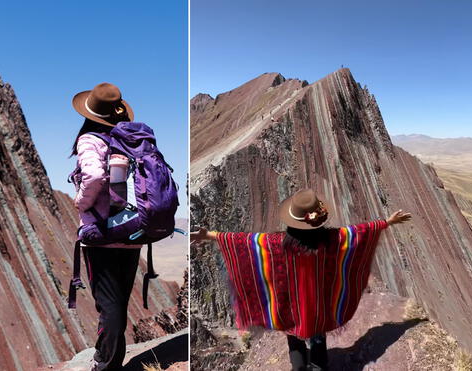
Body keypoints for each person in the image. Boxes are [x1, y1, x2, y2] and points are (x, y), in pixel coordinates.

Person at [191, 188, 411, 370]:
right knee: (317, 339)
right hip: (318, 307)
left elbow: (244, 242)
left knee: (294, 340)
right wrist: (387, 222)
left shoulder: (275, 243)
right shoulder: (334, 239)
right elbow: (360, 232)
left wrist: (209, 235)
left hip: (289, 306)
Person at [70, 82, 141, 371]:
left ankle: (106, 365)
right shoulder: (129, 140)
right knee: (119, 301)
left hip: (102, 235)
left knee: (108, 304)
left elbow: (95, 175)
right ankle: (113, 359)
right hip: (134, 230)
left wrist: (81, 202)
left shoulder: (89, 140)